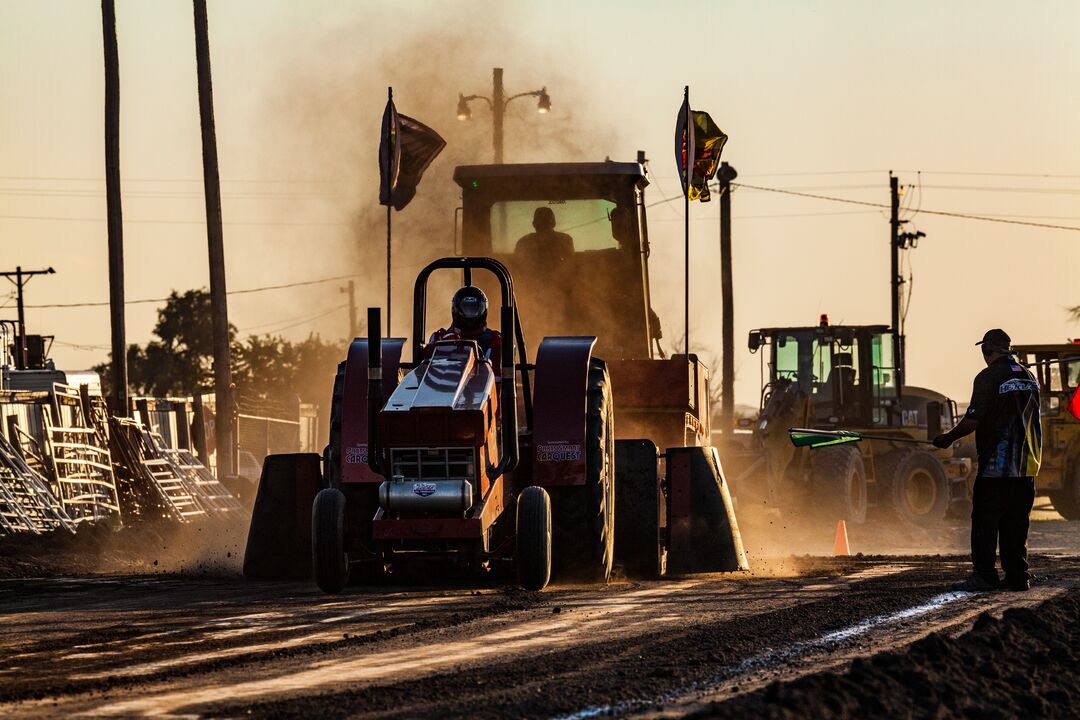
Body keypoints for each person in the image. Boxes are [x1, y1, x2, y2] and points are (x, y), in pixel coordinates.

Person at [933, 328, 1042, 591]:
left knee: (985, 522)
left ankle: (984, 575)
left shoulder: (987, 377)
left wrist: (948, 438)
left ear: (987, 351)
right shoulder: (1030, 377)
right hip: (1026, 467)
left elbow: (973, 420)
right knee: (1016, 524)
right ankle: (1018, 576)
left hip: (996, 467)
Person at [425, 285, 502, 373]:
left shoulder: (496, 340)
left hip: (485, 384)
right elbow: (425, 365)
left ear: (482, 309)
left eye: (473, 309)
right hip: (447, 383)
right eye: (466, 308)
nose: (469, 313)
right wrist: (445, 347)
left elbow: (502, 377)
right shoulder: (440, 338)